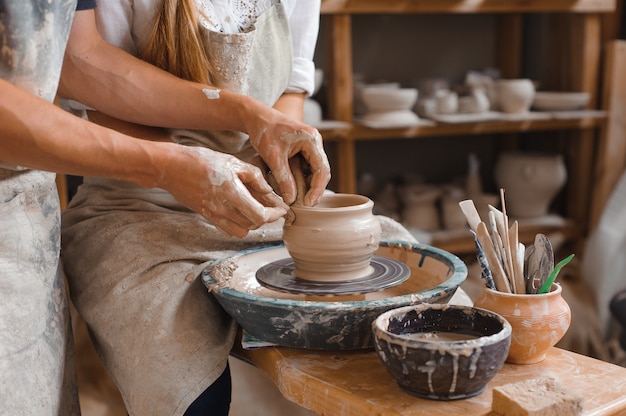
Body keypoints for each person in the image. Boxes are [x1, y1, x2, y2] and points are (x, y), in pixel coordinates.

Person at [59, 1, 414, 415]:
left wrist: (282, 160)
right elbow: (98, 90)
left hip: (258, 199)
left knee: (424, 316)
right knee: (187, 389)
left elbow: (290, 92)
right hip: (141, 204)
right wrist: (225, 133)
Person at [0, 0, 330, 414]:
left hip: (246, 191)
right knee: (185, 385)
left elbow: (78, 58)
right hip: (137, 200)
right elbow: (82, 78)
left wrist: (269, 141)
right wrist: (171, 163)